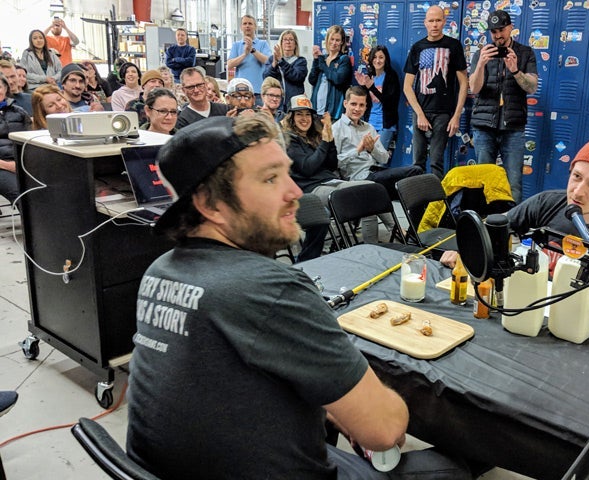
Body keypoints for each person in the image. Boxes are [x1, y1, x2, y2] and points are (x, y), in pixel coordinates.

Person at [125, 113, 472, 479]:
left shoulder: (161, 271)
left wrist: (335, 402)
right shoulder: (271, 288)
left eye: (287, 173)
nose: (295, 192)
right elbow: (385, 431)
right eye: (271, 178)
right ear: (211, 206)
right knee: (452, 468)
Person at [442, 136, 589, 309]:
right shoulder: (547, 202)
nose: (578, 191)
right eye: (577, 176)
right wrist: (466, 252)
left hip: (578, 319)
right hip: (527, 305)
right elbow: (496, 228)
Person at [282, 94, 380, 259]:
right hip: (311, 189)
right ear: (292, 117)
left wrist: (329, 139)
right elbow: (308, 168)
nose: (304, 118)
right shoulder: (289, 140)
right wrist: (325, 143)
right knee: (367, 193)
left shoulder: (315, 136)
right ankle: (368, 249)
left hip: (330, 182)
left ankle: (371, 248)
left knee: (371, 192)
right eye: (299, 114)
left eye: (307, 114)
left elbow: (331, 165)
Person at [468, 9, 537, 204]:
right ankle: (482, 224)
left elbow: (531, 87)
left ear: (511, 28)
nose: (498, 35)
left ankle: (511, 225)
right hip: (483, 127)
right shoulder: (482, 54)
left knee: (513, 182)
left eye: (501, 30)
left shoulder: (525, 53)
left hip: (513, 127)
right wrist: (481, 64)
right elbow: (474, 88)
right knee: (482, 181)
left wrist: (515, 70)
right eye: (493, 31)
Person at [403, 5, 468, 179]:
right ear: (425, 23)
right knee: (417, 162)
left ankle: (437, 204)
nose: (434, 25)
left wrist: (456, 116)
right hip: (420, 112)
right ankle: (417, 204)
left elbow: (464, 83)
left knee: (437, 162)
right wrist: (419, 114)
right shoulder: (418, 47)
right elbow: (407, 86)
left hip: (443, 113)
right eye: (431, 21)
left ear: (444, 22)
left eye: (438, 20)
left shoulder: (453, 46)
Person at [332, 86, 422, 199]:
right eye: (353, 104)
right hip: (358, 178)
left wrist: (372, 150)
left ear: (366, 107)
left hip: (376, 172)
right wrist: (357, 150)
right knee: (415, 173)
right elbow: (333, 164)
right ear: (345, 104)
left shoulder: (369, 128)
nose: (357, 109)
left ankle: (417, 215)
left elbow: (384, 159)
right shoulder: (336, 129)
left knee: (416, 180)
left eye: (361, 105)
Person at [353, 45, 400, 159]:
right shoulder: (370, 75)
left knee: (379, 158)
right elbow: (365, 100)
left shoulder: (391, 76)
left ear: (386, 59)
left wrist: (372, 87)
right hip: (370, 122)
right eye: (375, 57)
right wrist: (363, 86)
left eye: (381, 57)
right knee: (366, 159)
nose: (377, 60)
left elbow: (389, 102)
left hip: (385, 125)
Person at [0, 72, 32, 204]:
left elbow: (31, 141)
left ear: (5, 89)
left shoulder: (19, 112)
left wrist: (22, 163)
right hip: (2, 166)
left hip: (23, 162)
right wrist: (8, 165)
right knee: (22, 195)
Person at [309, 25, 352, 121]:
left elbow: (337, 79)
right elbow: (312, 80)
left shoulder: (343, 60)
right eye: (332, 39)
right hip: (316, 110)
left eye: (337, 40)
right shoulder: (322, 58)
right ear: (327, 39)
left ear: (341, 42)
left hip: (333, 112)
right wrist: (316, 60)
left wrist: (323, 64)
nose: (334, 43)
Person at [226, 15, 271, 106]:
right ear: (241, 27)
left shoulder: (263, 44)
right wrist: (244, 54)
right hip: (240, 93)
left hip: (258, 92)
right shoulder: (236, 45)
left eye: (250, 23)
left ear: (255, 26)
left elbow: (268, 61)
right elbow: (229, 64)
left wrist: (252, 50)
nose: (247, 26)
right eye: (245, 24)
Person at [263, 28, 308, 112]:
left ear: (295, 44)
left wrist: (281, 62)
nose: (288, 42)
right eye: (285, 40)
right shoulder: (271, 59)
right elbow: (266, 78)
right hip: (276, 103)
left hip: (294, 103)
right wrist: (274, 64)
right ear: (281, 43)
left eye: (291, 39)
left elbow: (297, 77)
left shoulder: (301, 61)